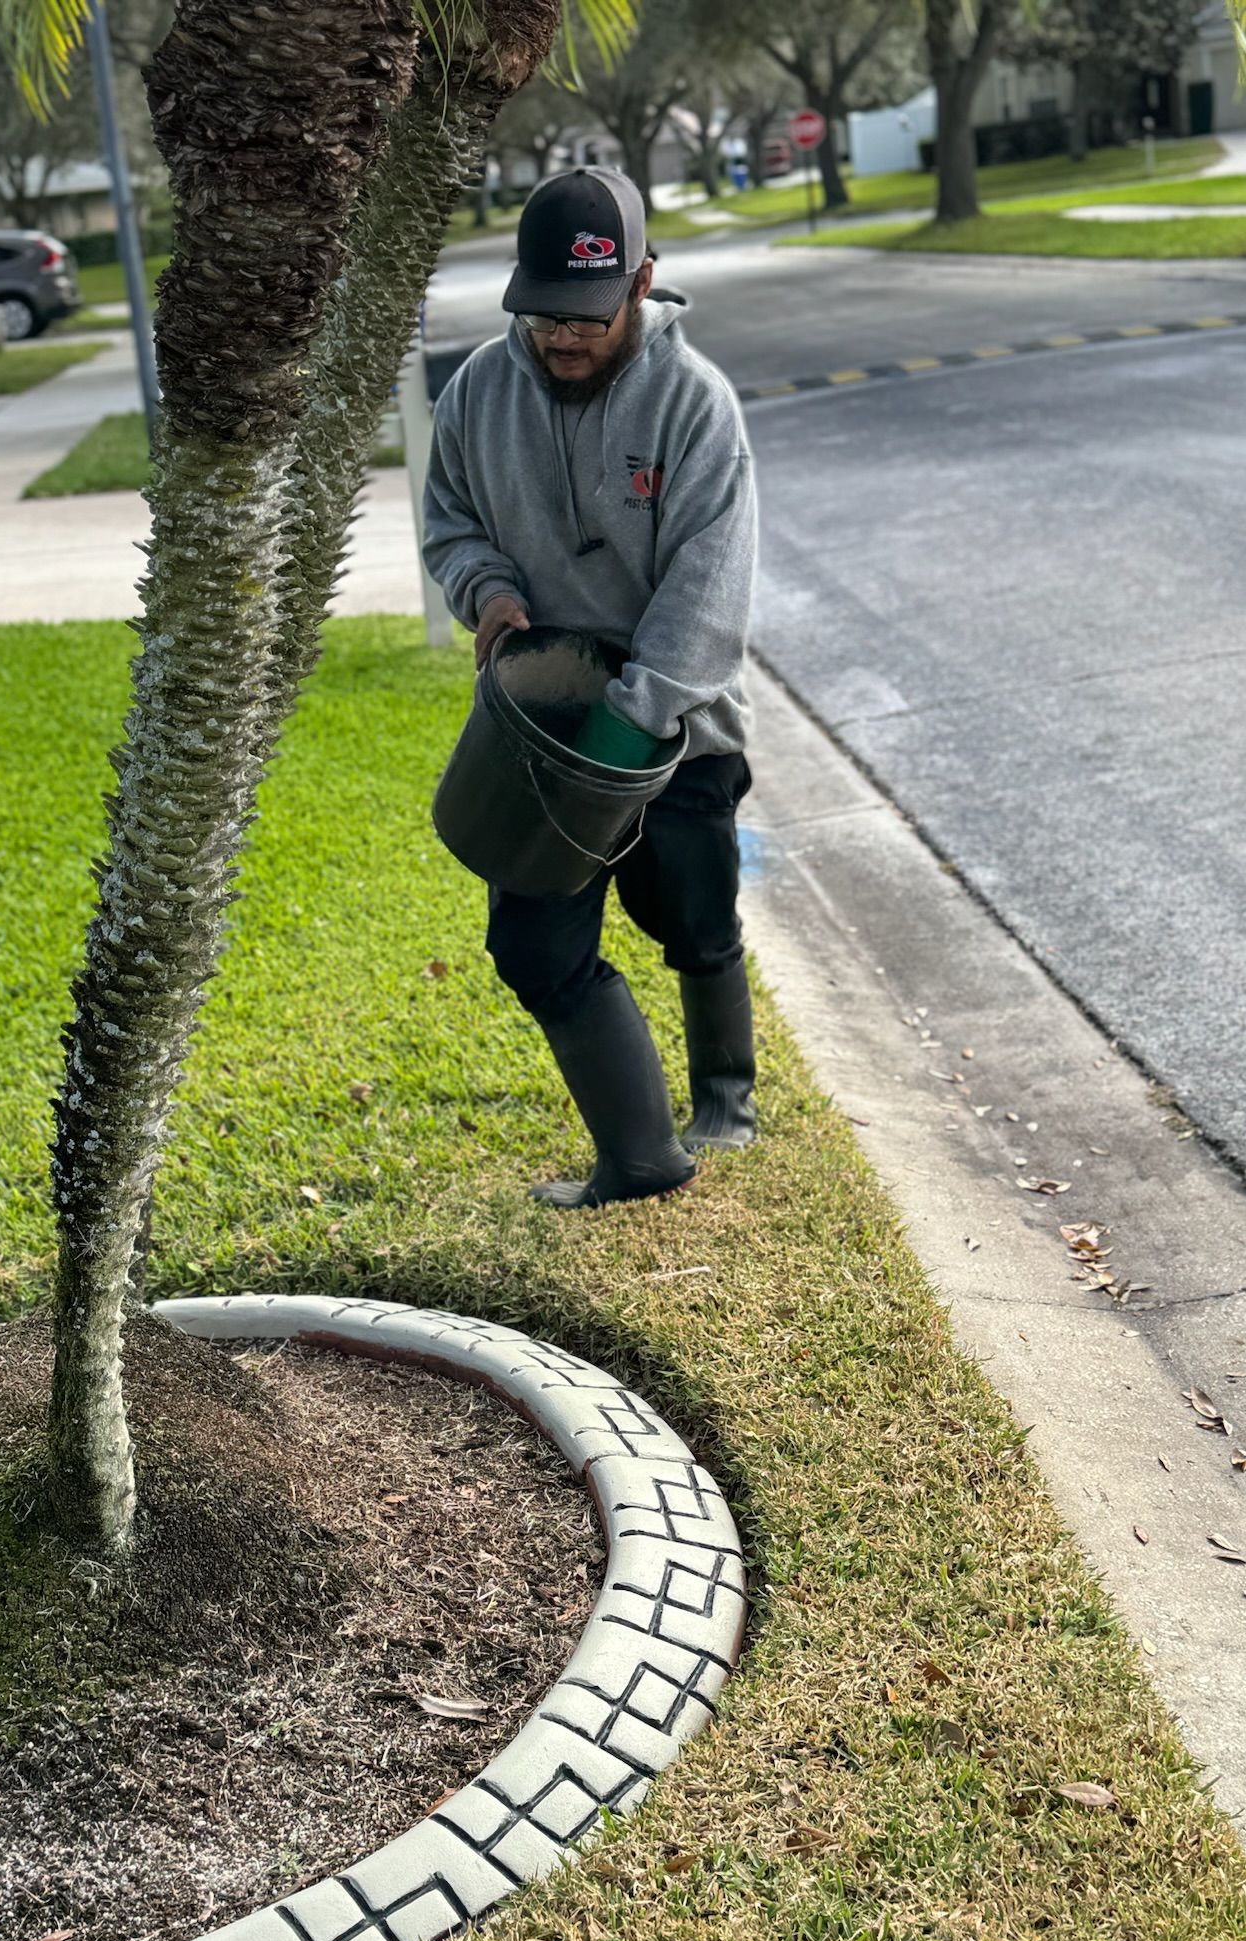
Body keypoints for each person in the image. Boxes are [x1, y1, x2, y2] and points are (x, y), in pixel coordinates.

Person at [422, 165, 759, 1210]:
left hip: (677, 727)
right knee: (532, 941)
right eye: (542, 316)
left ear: (642, 283)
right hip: (542, 734)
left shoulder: (695, 406)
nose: (561, 337)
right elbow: (449, 517)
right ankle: (642, 1157)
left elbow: (710, 581)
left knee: (691, 917)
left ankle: (727, 1100)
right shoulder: (481, 387)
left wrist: (638, 722)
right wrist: (483, 586)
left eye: (586, 315)